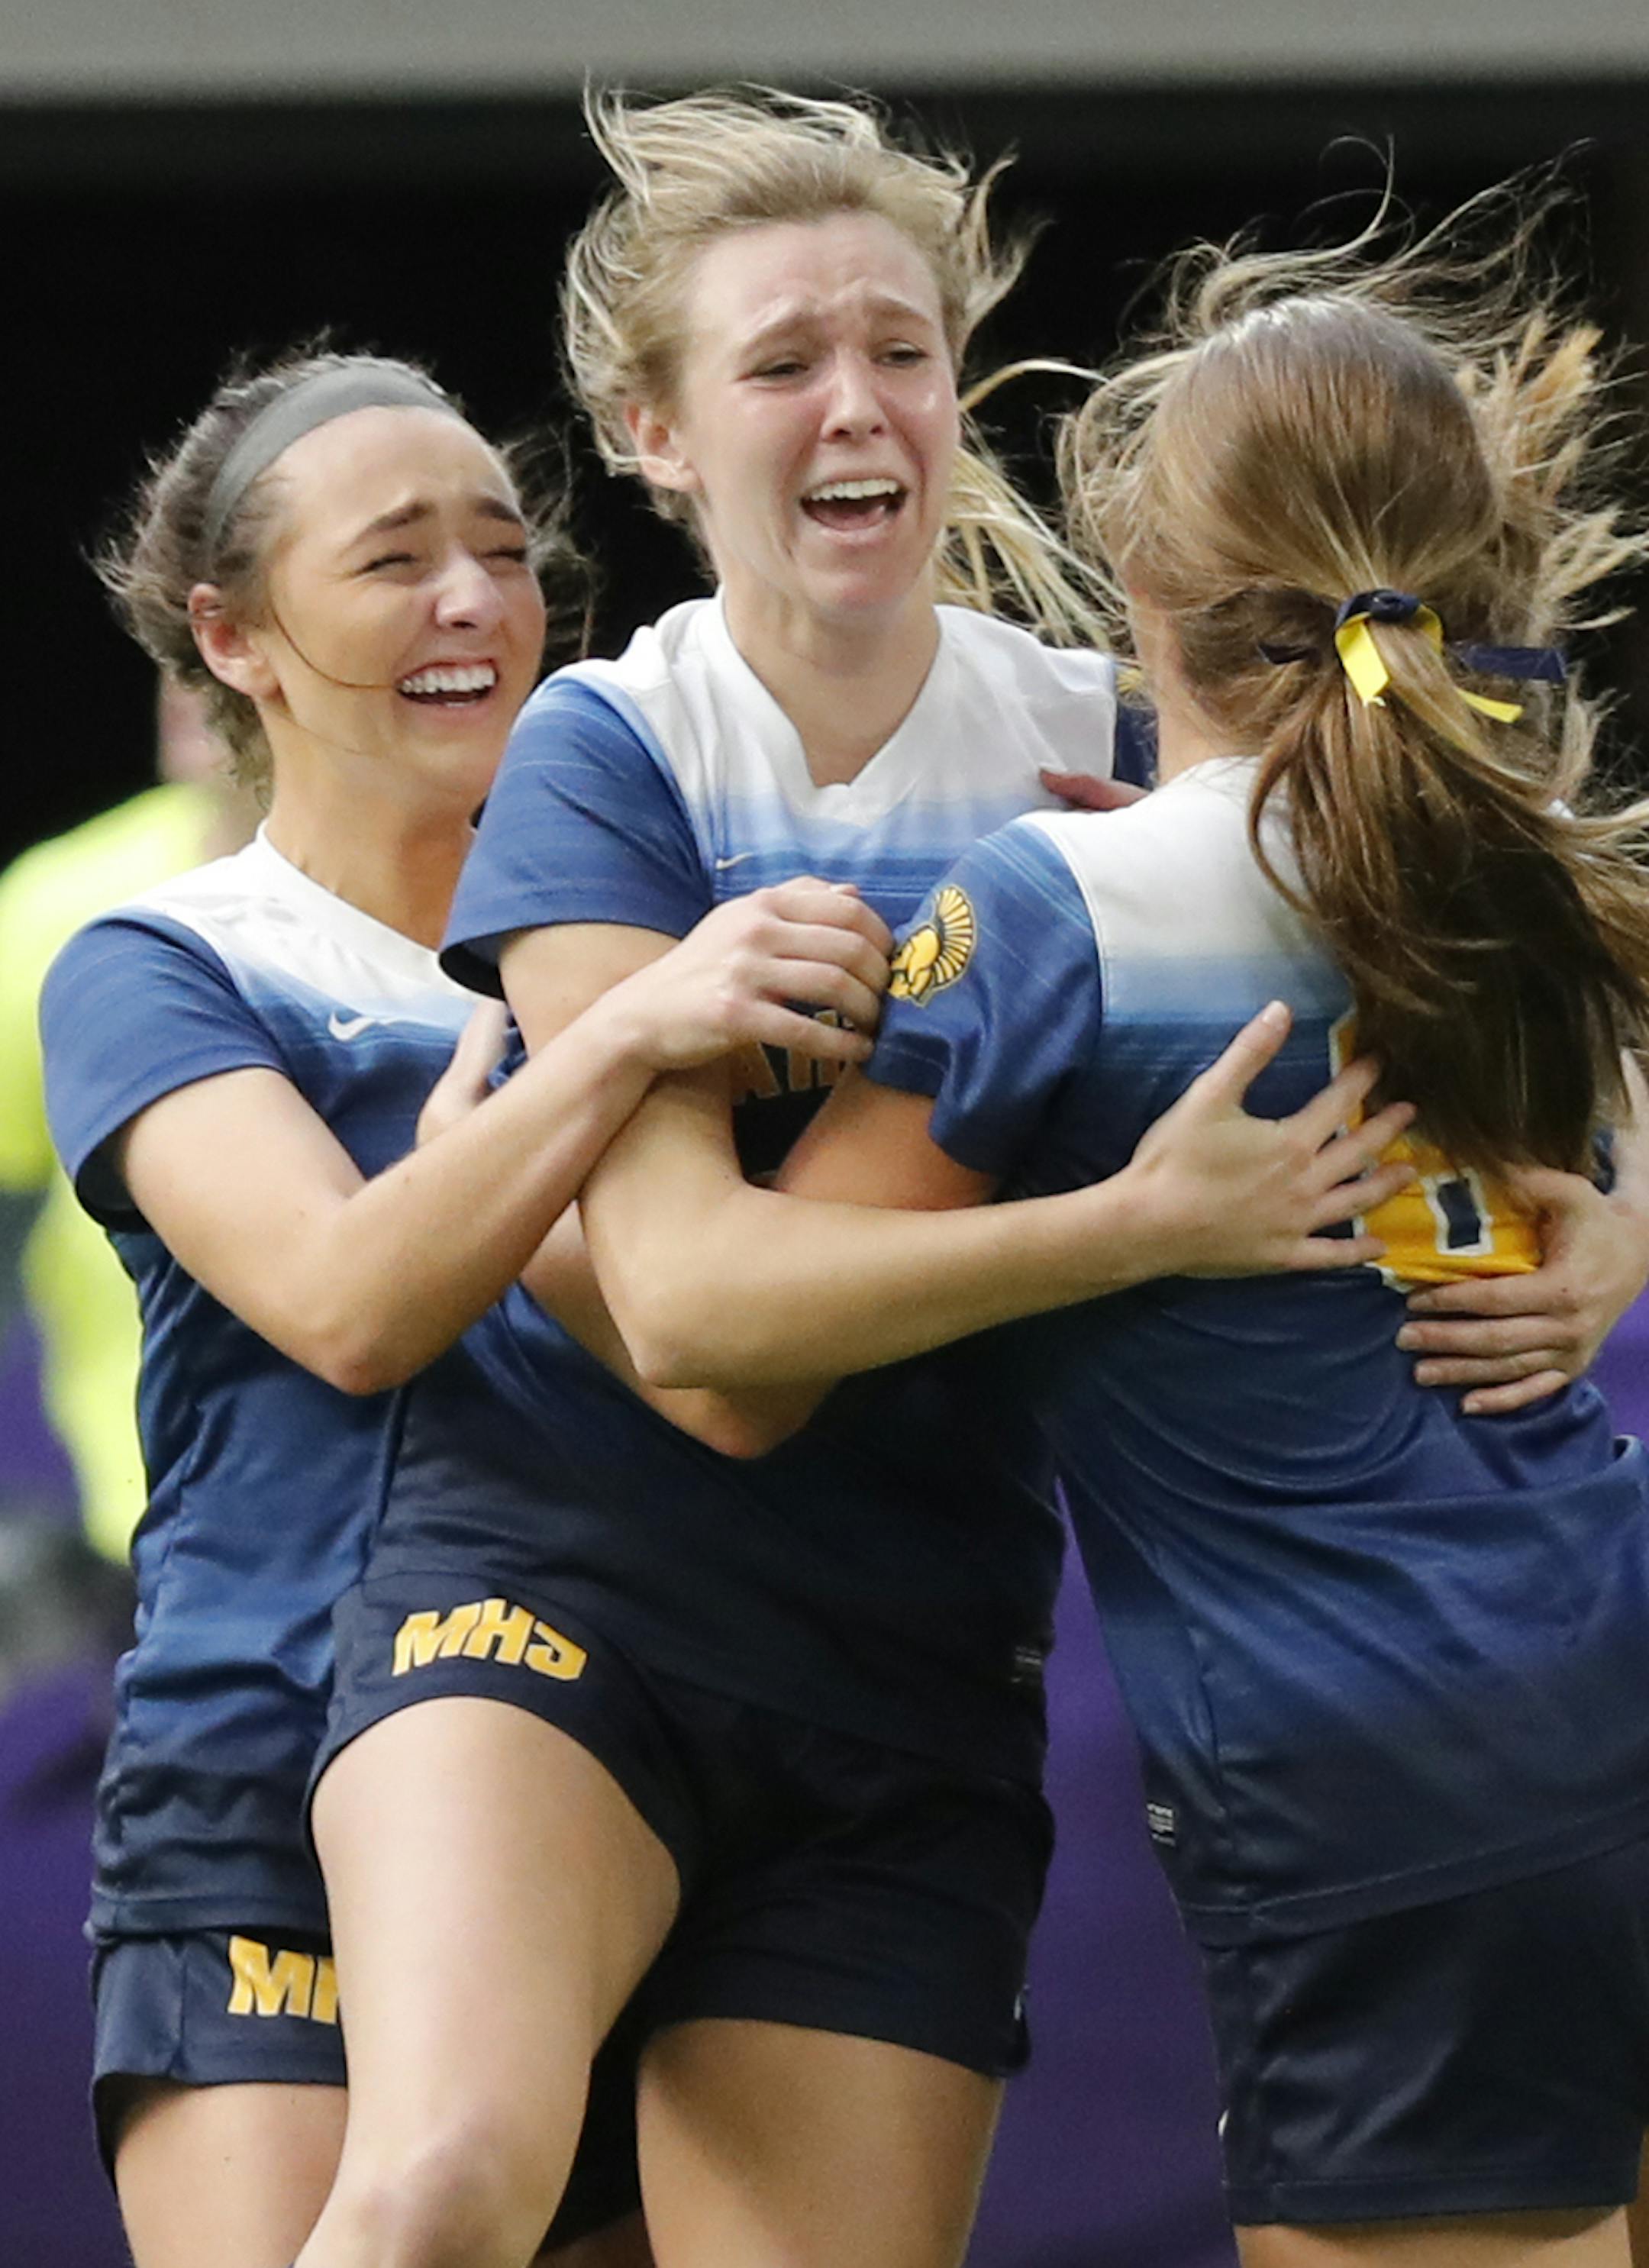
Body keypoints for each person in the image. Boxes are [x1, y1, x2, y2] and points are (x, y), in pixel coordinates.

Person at [299, 91, 1428, 2268]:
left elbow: (1530, 1001)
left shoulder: (1113, 741)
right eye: (784, 360)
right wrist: (1135, 1221)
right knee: (442, 2185)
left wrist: (1607, 1226)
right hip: (557, 1589)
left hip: (915, 1652)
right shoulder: (615, 745)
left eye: (900, 350)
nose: (857, 404)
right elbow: (706, 1347)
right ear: (655, 435)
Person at [573, 201, 1649, 2267]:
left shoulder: (1059, 909)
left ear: (1145, 585)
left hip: (1390, 1772)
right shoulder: (1515, 851)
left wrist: (1121, 1217)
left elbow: (710, 1321)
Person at [40, 346, 892, 2268]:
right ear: (232, 636)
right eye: (396, 558)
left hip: (615, 1780)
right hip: (266, 1780)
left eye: (503, 553)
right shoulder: (160, 963)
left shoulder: (651, 922)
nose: (472, 603)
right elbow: (350, 1303)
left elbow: (745, 1359)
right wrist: (621, 1051)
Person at [0, 681, 257, 1559]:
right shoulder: (51, 903)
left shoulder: (467, 890)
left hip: (436, 1491)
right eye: (178, 653)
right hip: (142, 1500)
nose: (189, 686)